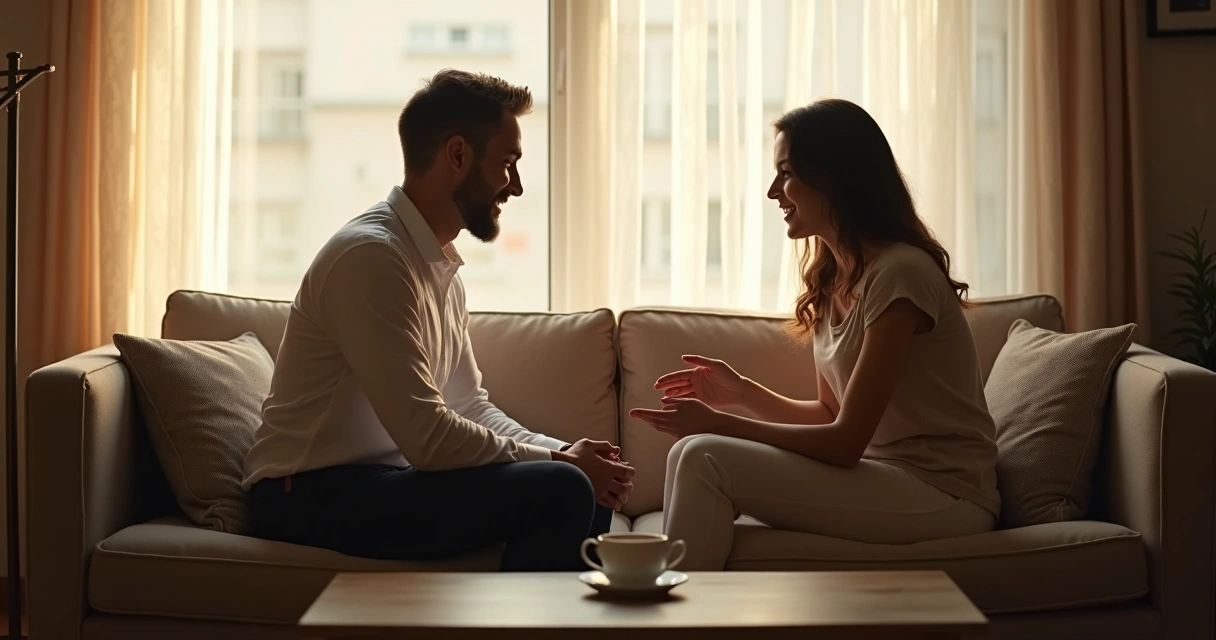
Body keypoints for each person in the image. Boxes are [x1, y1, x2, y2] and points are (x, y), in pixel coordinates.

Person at [243, 69, 634, 571]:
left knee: (588, 485)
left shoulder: (437, 265)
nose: (515, 187)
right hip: (304, 491)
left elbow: (469, 405)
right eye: (507, 163)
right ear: (458, 155)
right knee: (565, 487)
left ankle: (548, 610)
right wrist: (562, 464)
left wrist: (569, 453)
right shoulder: (372, 258)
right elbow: (428, 438)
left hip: (383, 479)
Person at [629, 99, 999, 571]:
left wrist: (718, 424)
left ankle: (672, 606)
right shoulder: (830, 284)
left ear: (834, 177)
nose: (773, 192)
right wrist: (741, 394)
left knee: (703, 455)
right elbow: (830, 414)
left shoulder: (900, 273)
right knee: (688, 451)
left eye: (785, 173)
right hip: (884, 474)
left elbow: (844, 443)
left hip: (945, 491)